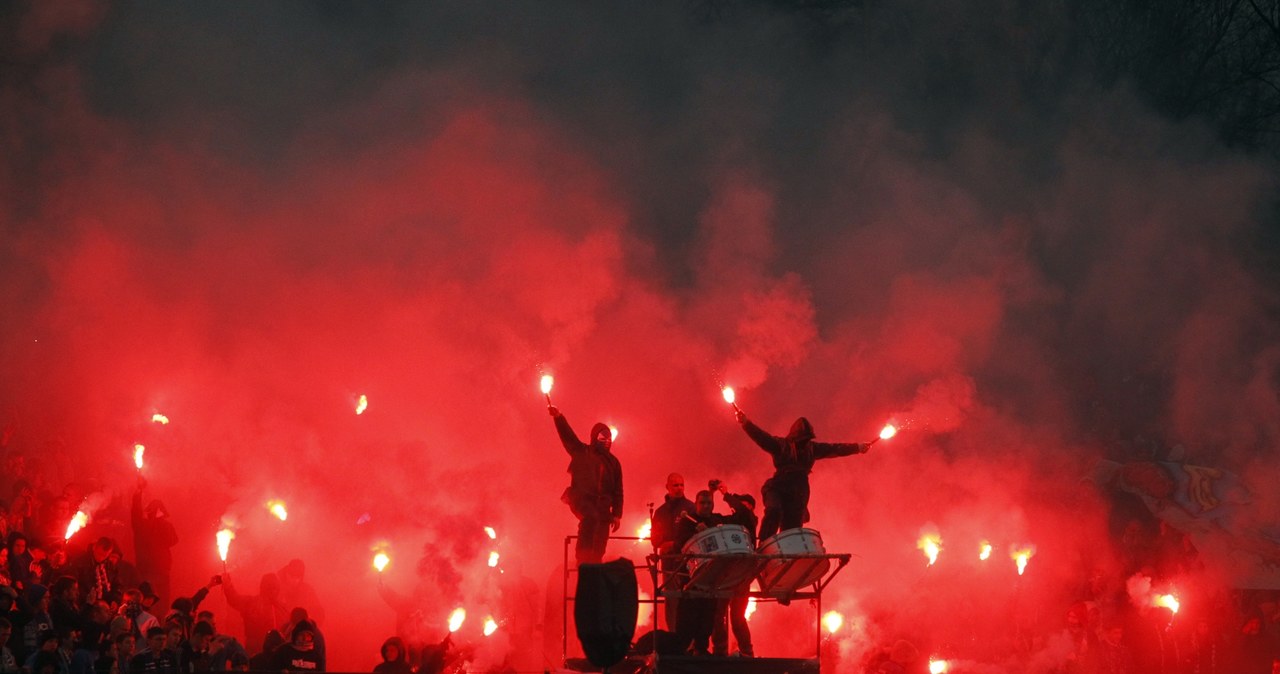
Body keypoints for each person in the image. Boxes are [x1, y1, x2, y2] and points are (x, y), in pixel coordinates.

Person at [734, 410, 871, 541]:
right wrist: (746, 423)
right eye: (802, 440)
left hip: (799, 491)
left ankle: (787, 553)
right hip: (778, 486)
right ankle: (764, 544)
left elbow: (835, 449)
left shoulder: (812, 448)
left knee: (792, 528)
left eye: (806, 440)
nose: (804, 444)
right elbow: (762, 438)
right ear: (795, 437)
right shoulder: (781, 445)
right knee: (774, 510)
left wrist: (857, 447)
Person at [548, 405, 623, 565]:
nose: (607, 440)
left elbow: (618, 490)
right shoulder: (583, 452)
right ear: (595, 437)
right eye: (603, 437)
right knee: (590, 520)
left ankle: (594, 567)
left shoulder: (614, 463)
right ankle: (582, 561)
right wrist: (559, 418)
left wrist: (616, 514)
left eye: (609, 437)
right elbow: (568, 437)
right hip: (584, 501)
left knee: (600, 537)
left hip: (603, 508)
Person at [708, 483, 757, 658]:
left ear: (750, 507)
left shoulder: (750, 518)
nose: (737, 508)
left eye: (742, 504)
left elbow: (743, 512)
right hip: (727, 572)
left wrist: (726, 494)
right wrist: (711, 494)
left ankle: (746, 651)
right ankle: (720, 651)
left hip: (742, 573)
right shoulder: (733, 521)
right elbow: (710, 517)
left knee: (737, 617)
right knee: (719, 615)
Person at [650, 474, 693, 632]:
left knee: (689, 601)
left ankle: (690, 643)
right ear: (667, 487)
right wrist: (658, 540)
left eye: (681, 485)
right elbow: (654, 540)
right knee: (672, 601)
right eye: (675, 485)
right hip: (669, 563)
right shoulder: (660, 512)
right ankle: (673, 636)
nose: (679, 488)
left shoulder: (690, 508)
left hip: (688, 563)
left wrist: (675, 544)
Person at [130, 480, 176, 615]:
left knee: (162, 607)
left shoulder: (165, 526)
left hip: (162, 572)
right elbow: (136, 512)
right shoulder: (142, 526)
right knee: (147, 606)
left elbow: (173, 540)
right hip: (147, 571)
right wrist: (138, 494)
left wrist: (160, 521)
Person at [221, 573, 287, 657]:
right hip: (255, 649)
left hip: (276, 652)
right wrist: (228, 585)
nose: (273, 591)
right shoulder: (252, 603)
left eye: (275, 588)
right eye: (270, 587)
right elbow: (234, 599)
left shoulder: (281, 609)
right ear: (264, 587)